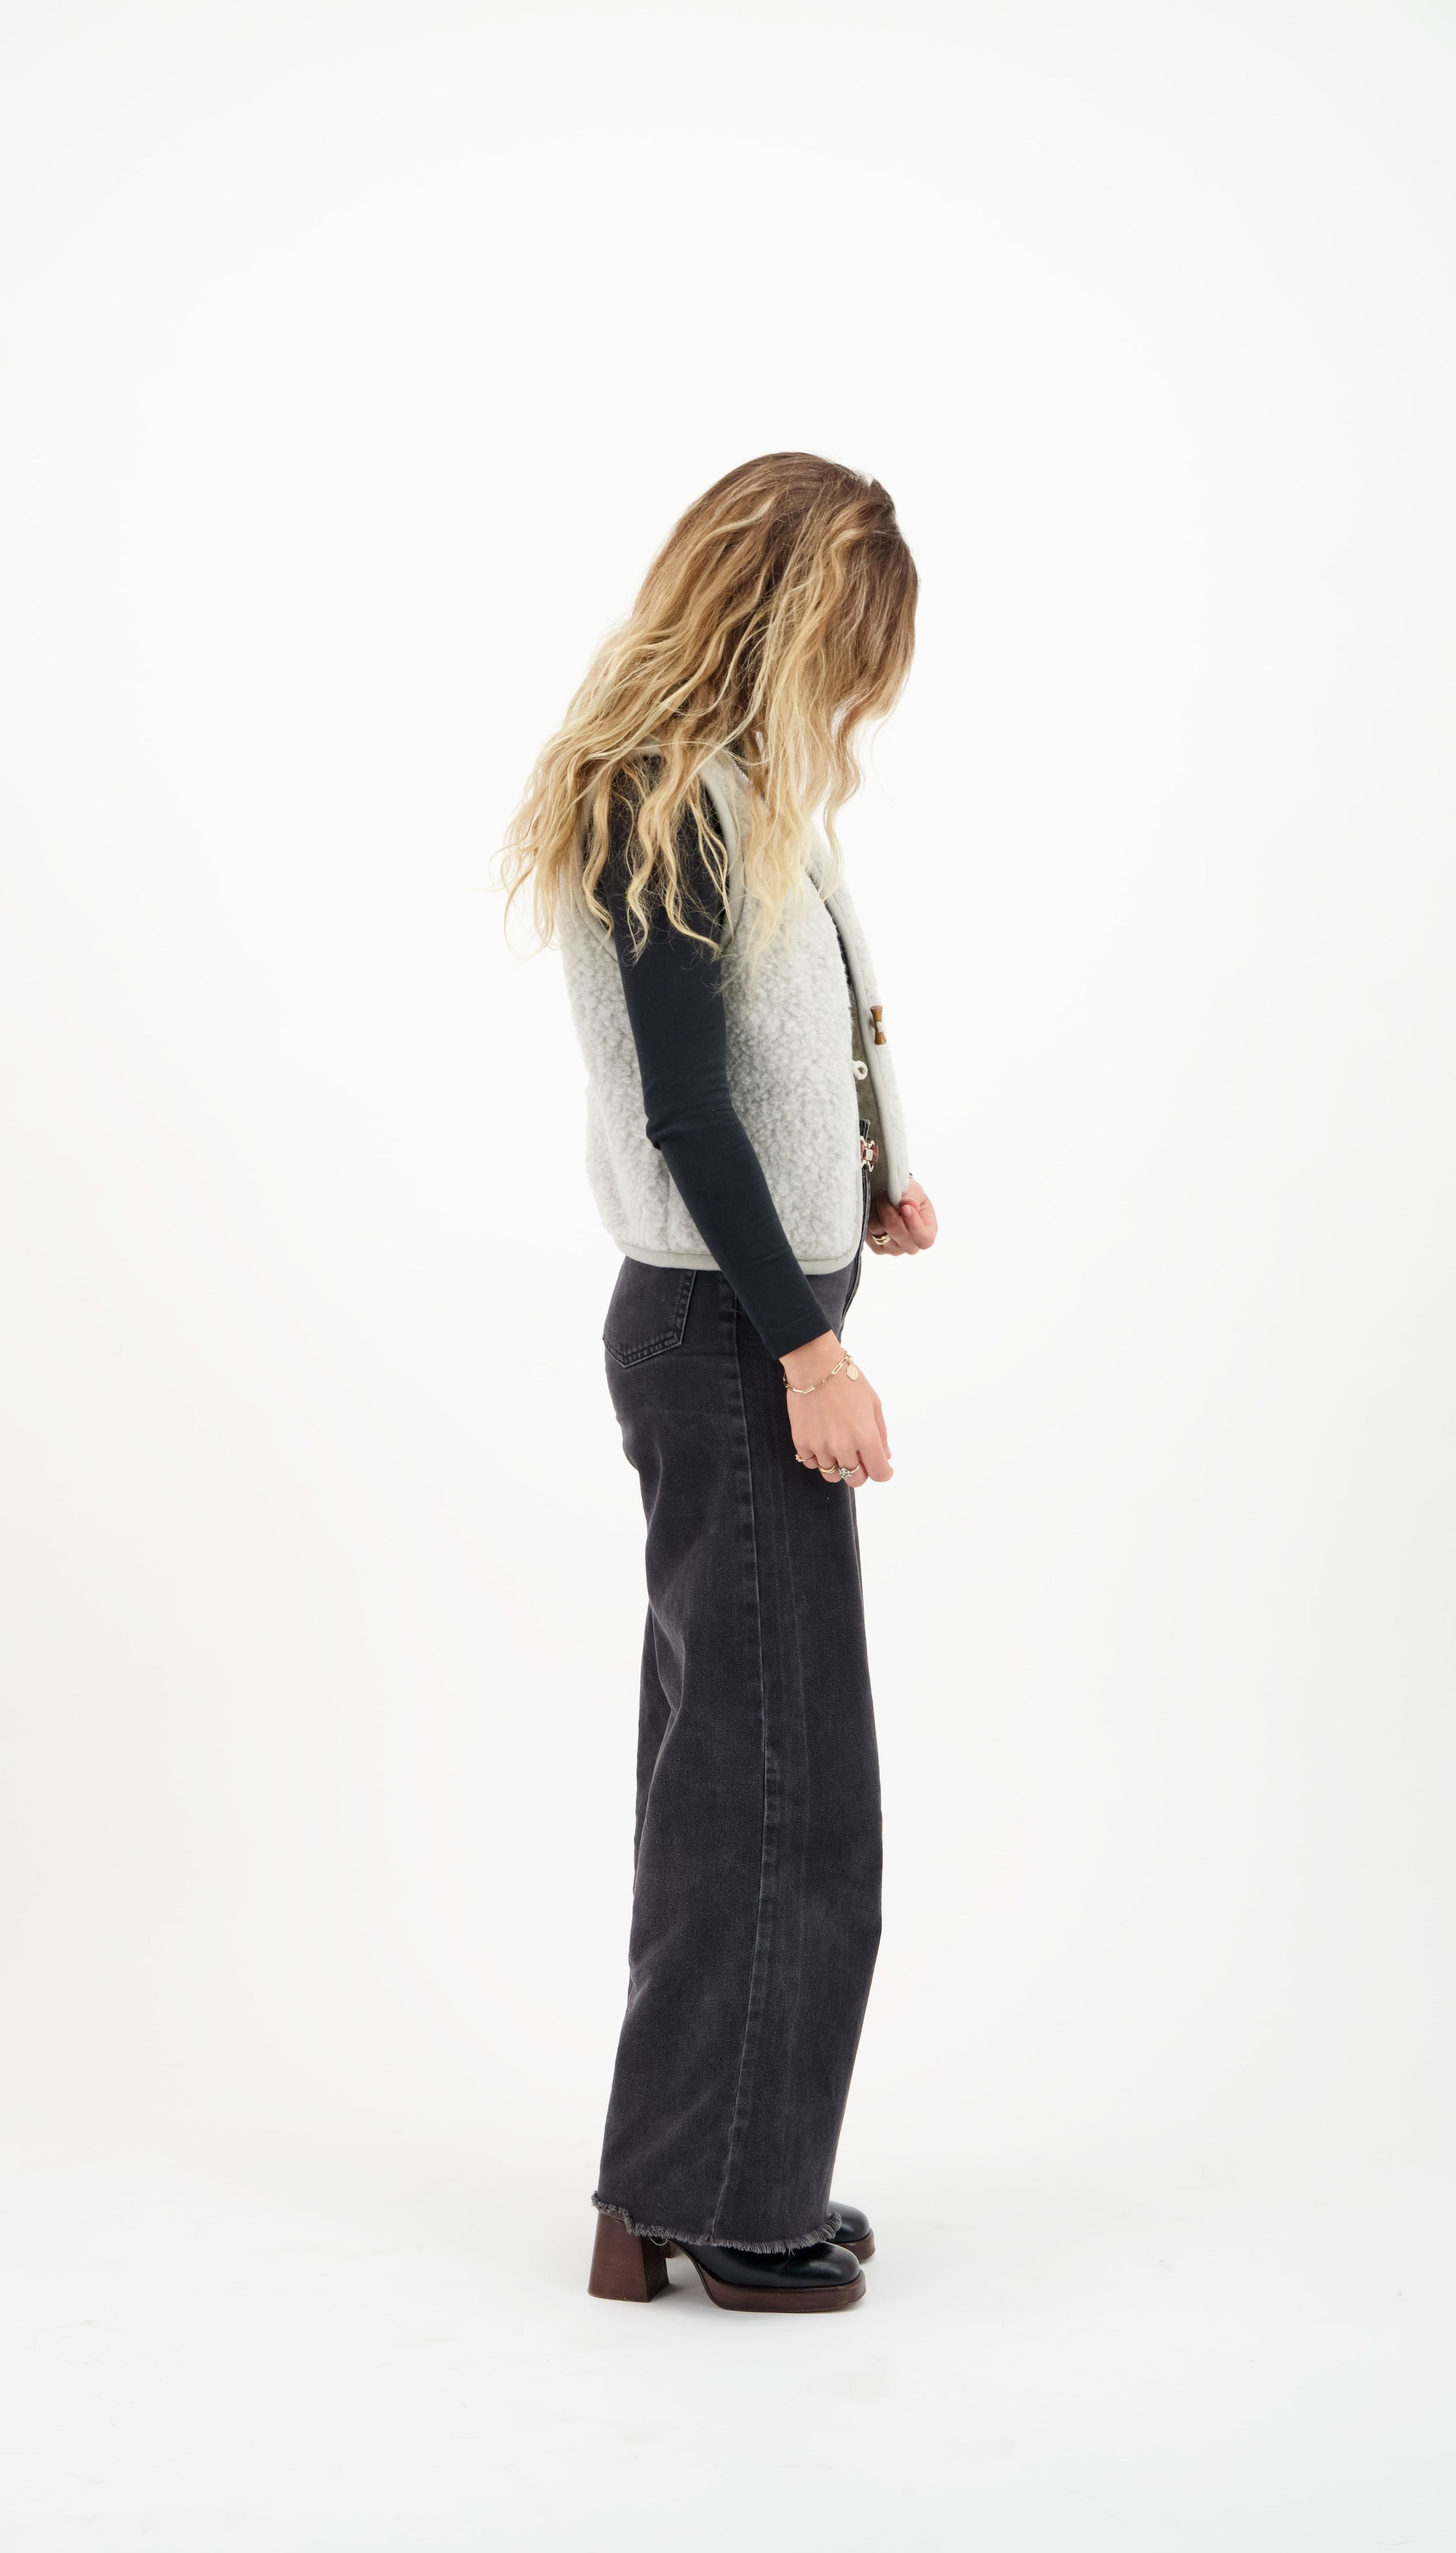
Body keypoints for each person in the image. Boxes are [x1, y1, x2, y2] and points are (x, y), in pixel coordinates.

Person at [502, 452, 937, 2314]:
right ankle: (727, 2204)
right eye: (848, 652)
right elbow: (683, 1113)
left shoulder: (741, 794)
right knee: (786, 1795)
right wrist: (810, 1346)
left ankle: (684, 2180)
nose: (856, 695)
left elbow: (778, 1045)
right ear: (784, 619)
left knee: (742, 1775)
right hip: (726, 1344)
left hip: (737, 1323)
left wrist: (868, 1171)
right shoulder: (662, 799)